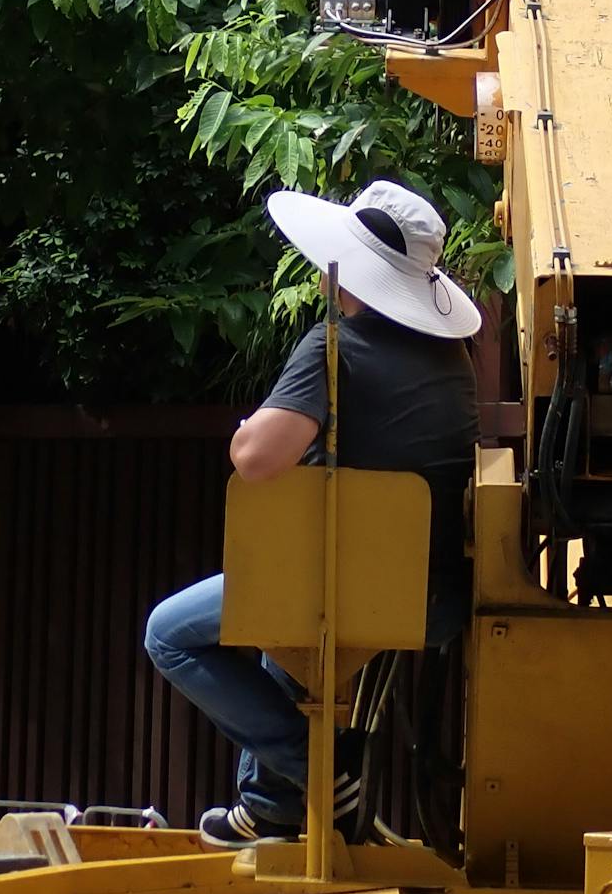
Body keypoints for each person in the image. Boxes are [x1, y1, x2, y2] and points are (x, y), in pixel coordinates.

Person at [144, 179, 481, 850]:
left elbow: (257, 457)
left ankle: (323, 773)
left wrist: (252, 424)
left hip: (352, 585)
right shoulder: (452, 361)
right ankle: (271, 807)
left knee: (170, 634)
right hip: (436, 591)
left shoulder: (335, 346)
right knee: (282, 615)